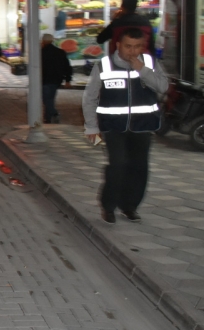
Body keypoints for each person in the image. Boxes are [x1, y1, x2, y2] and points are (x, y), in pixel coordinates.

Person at [82, 28, 168, 224]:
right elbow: (90, 97)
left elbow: (163, 87)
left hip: (143, 126)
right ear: (118, 45)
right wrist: (91, 127)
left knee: (139, 167)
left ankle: (130, 206)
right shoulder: (104, 66)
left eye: (137, 46)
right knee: (118, 165)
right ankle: (109, 206)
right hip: (114, 127)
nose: (133, 51)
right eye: (128, 46)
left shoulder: (150, 64)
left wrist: (142, 70)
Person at [41, 34, 73, 123]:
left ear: (43, 41)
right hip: (56, 79)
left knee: (47, 99)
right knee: (50, 98)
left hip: (45, 79)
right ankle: (48, 118)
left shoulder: (40, 53)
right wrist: (68, 80)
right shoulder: (60, 52)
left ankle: (53, 114)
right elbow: (67, 67)